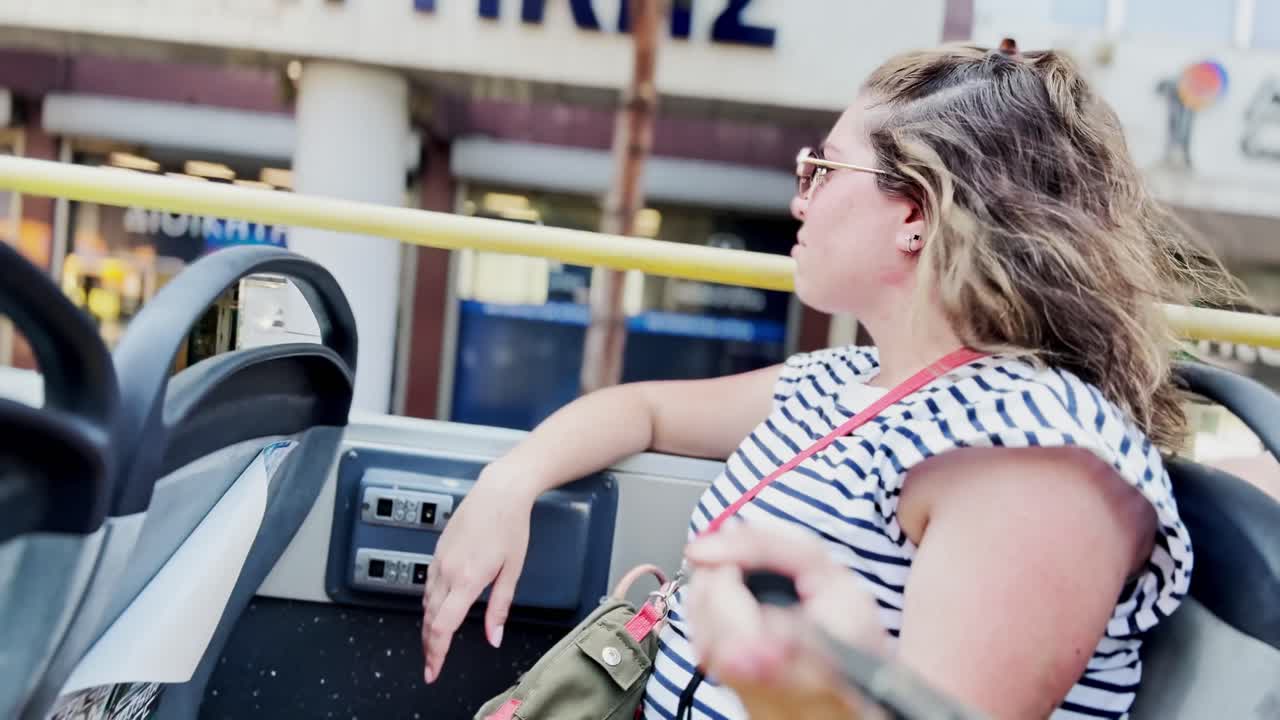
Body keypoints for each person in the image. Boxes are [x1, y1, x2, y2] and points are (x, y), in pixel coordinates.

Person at [422, 41, 1245, 719]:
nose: (799, 197)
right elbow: (641, 409)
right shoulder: (846, 379)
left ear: (919, 213)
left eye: (823, 170)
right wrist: (513, 476)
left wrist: (804, 695)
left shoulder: (1034, 451)